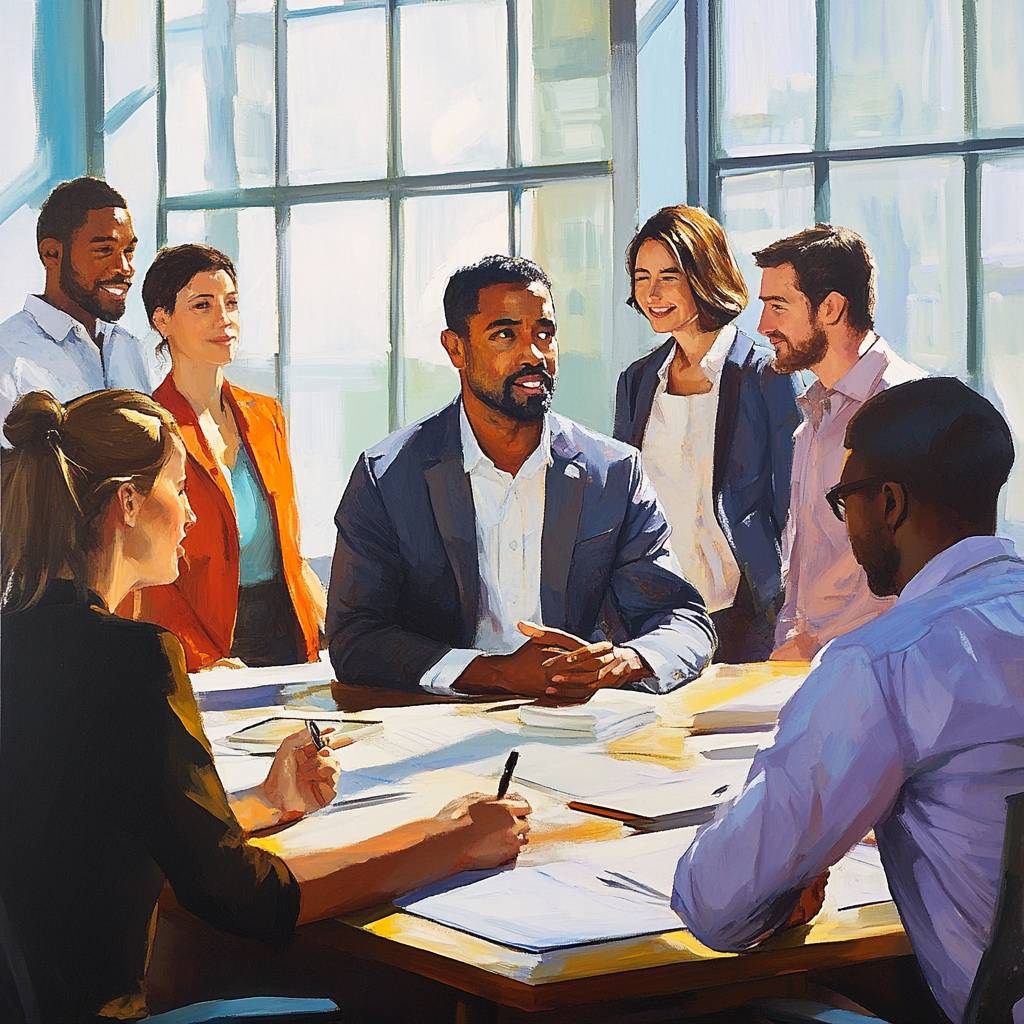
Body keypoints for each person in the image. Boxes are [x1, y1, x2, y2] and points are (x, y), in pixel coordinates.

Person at [0, 388, 532, 1024]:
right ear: (129, 503)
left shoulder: (21, 639)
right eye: (179, 486)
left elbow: (99, 832)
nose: (194, 515)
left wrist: (260, 805)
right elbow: (246, 899)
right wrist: (447, 840)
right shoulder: (133, 658)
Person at [672, 377, 1024, 1024]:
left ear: (888, 503)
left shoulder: (885, 663)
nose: (847, 525)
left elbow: (715, 904)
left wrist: (782, 874)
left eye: (844, 500)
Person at [327, 255, 716, 700]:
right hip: (436, 726)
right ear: (456, 348)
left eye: (544, 334)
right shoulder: (389, 476)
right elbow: (356, 638)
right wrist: (494, 673)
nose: (533, 354)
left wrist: (624, 662)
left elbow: (682, 618)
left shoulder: (611, 472)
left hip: (578, 724)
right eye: (505, 335)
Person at [614, 206, 800, 662]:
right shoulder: (638, 382)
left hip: (745, 615)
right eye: (642, 277)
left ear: (704, 275)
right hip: (657, 619)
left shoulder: (767, 376)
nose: (652, 293)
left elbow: (793, 506)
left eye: (669, 276)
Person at [134, 243, 324, 670]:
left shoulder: (266, 415)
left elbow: (288, 549)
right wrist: (200, 658)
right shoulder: (152, 428)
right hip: (205, 640)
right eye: (203, 305)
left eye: (231, 303)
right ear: (162, 319)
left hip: (288, 632)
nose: (225, 319)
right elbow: (143, 576)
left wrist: (340, 629)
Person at [754, 225, 926, 661]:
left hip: (878, 671)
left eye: (778, 306)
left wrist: (818, 647)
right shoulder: (812, 417)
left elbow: (918, 578)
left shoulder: (906, 406)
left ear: (830, 307)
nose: (763, 326)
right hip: (811, 673)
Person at [0, 177, 162, 432]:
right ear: (51, 253)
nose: (126, 268)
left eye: (128, 251)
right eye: (104, 250)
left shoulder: (129, 348)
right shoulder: (8, 356)